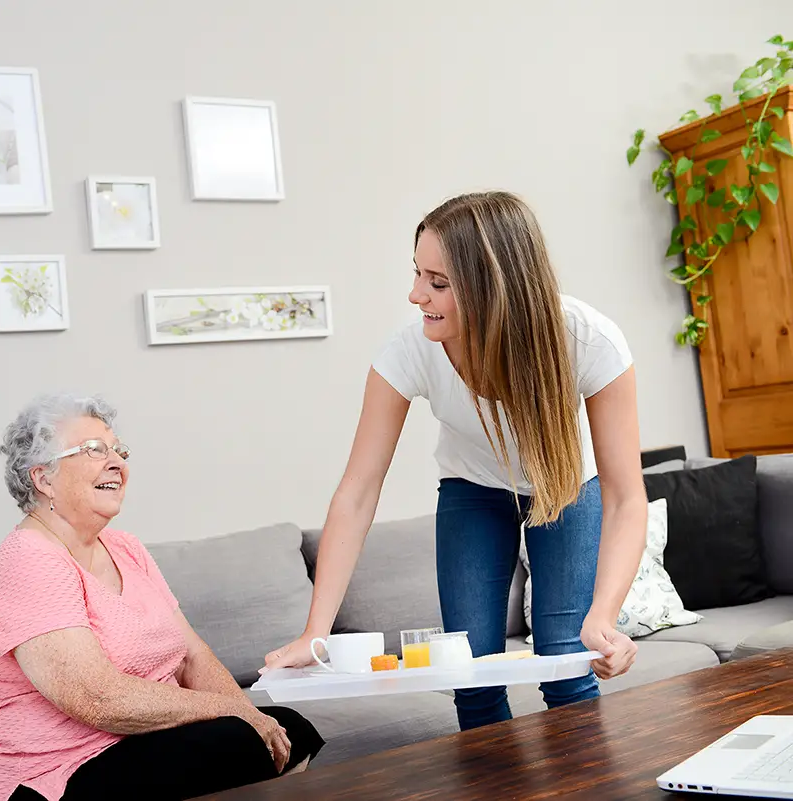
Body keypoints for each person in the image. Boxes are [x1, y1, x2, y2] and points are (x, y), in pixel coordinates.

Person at [264, 191, 647, 731]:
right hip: (472, 491)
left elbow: (627, 496)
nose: (416, 294)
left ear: (496, 286)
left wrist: (604, 617)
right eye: (418, 274)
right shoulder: (411, 351)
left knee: (568, 663)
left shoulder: (587, 340)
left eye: (438, 282)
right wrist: (316, 633)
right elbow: (358, 489)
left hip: (566, 487)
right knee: (471, 677)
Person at [0, 393, 325, 801]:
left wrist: (252, 716)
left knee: (288, 729)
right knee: (235, 741)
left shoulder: (125, 548)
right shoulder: (28, 561)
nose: (117, 463)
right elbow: (96, 699)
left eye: (119, 450)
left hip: (133, 747)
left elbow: (193, 657)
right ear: (43, 478)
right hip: (50, 775)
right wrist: (233, 712)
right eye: (94, 451)